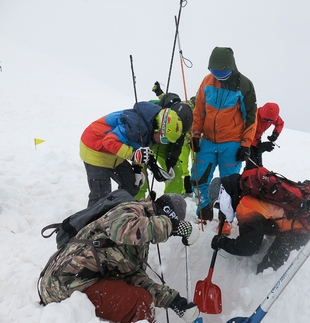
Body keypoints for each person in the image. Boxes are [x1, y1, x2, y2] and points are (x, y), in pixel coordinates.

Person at [38, 193, 200, 323]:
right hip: (63, 284)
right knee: (140, 305)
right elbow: (122, 230)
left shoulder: (141, 238)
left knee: (142, 297)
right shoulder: (130, 210)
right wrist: (173, 226)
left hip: (82, 282)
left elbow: (135, 278)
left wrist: (173, 301)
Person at [191, 46, 258, 221]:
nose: (218, 75)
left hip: (232, 143)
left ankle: (225, 219)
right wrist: (195, 134)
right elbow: (199, 111)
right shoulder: (207, 82)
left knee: (229, 184)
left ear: (231, 67)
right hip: (207, 141)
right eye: (214, 71)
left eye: (222, 71)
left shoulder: (244, 85)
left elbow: (251, 117)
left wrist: (245, 144)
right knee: (198, 178)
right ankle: (203, 211)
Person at [209, 174, 310, 273]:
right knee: (257, 226)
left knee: (266, 272)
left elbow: (248, 248)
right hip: (302, 217)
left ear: (223, 195)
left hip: (303, 230)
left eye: (218, 205)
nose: (220, 209)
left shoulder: (246, 206)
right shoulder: (249, 187)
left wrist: (221, 242)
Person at [80, 101, 182, 207]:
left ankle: (120, 212)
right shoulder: (135, 125)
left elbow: (138, 147)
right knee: (99, 198)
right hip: (95, 151)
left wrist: (137, 169)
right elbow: (109, 142)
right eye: (163, 138)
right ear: (158, 128)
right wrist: (133, 155)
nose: (162, 142)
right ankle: (91, 221)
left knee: (132, 185)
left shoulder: (148, 129)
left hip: (114, 154)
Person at [135, 83, 194, 199]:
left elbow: (178, 143)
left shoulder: (183, 122)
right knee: (139, 172)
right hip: (145, 142)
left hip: (164, 143)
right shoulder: (150, 111)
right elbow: (138, 139)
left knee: (176, 170)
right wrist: (152, 164)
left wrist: (171, 161)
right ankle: (136, 203)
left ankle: (171, 203)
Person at [245, 102, 284, 170]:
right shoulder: (253, 116)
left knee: (258, 166)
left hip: (257, 140)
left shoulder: (272, 117)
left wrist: (275, 133)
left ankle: (253, 178)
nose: (268, 121)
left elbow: (280, 123)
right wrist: (259, 145)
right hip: (246, 140)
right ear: (262, 114)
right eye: (266, 119)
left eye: (270, 121)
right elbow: (246, 133)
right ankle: (246, 179)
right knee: (252, 165)